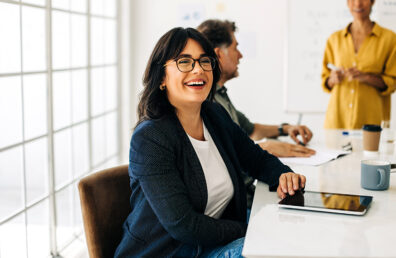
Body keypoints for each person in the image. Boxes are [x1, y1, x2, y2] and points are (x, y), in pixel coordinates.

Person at [114, 27, 306, 257]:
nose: (198, 69)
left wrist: (283, 175)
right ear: (162, 77)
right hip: (170, 252)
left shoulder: (214, 114)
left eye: (204, 61)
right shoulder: (150, 139)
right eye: (184, 62)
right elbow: (184, 225)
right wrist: (251, 230)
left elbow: (255, 159)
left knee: (293, 238)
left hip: (210, 243)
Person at [197, 19, 316, 158]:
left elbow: (251, 130)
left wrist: (285, 129)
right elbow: (218, 153)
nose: (240, 55)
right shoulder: (205, 100)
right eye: (235, 48)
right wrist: (265, 147)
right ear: (219, 55)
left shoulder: (221, 94)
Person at [321, 0, 396, 129]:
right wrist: (332, 79)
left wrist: (366, 77)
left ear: (372, 1)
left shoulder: (389, 39)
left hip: (372, 123)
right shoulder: (334, 39)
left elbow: (392, 82)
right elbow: (325, 81)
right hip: (337, 122)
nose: (357, 4)